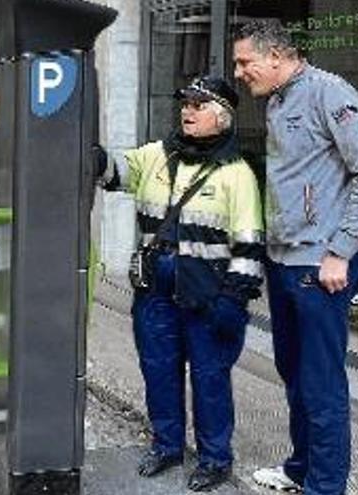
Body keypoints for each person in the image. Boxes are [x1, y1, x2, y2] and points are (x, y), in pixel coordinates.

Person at [232, 19, 358, 495]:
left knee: (321, 384)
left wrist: (340, 251)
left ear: (277, 56)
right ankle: (301, 468)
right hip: (283, 260)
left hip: (321, 264)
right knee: (294, 374)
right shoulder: (279, 100)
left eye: (246, 62)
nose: (240, 72)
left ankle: (325, 486)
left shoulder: (330, 93)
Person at [104, 76, 264, 492]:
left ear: (223, 117)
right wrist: (89, 152)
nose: (187, 111)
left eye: (198, 104)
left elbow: (249, 245)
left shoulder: (237, 174)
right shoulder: (156, 156)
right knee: (158, 371)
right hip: (155, 290)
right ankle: (166, 446)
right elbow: (113, 170)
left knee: (210, 379)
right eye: (185, 103)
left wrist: (234, 300)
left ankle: (215, 459)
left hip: (208, 296)